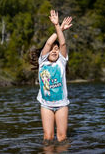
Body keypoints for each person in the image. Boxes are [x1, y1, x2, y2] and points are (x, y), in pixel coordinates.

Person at [30, 10, 73, 144]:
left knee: (61, 138)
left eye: (56, 49)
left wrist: (59, 29)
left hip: (61, 105)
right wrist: (57, 26)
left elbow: (63, 44)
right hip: (46, 105)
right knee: (48, 138)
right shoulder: (42, 62)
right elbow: (48, 43)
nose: (54, 50)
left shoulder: (61, 61)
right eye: (52, 49)